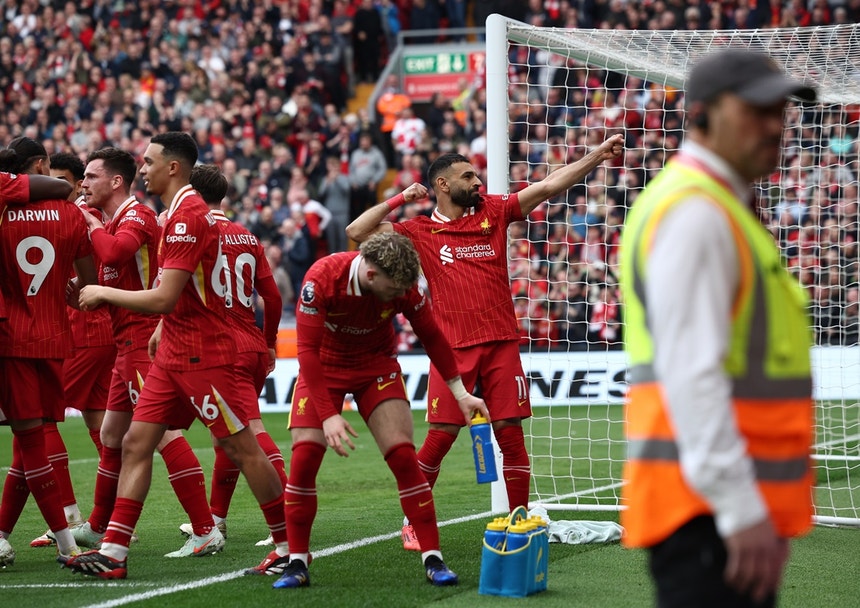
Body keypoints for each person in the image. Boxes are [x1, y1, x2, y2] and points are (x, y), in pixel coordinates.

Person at [346, 134, 623, 550]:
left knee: (510, 435)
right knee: (440, 437)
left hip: (501, 345)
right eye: (468, 176)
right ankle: (413, 520)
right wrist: (400, 197)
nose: (478, 182)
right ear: (442, 185)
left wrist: (597, 154)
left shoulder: (494, 210)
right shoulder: (418, 230)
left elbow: (549, 186)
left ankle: (518, 519)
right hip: (452, 349)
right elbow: (356, 231)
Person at [618, 49, 817, 607]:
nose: (775, 125)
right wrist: (740, 509)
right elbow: (692, 373)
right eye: (756, 110)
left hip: (710, 505)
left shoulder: (712, 204)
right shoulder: (697, 212)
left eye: (780, 111)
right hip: (704, 512)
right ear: (702, 115)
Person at [62, 132, 286, 579]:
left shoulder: (185, 218)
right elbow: (185, 289)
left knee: (241, 447)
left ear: (173, 167)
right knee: (133, 441)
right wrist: (164, 328)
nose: (142, 169)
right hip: (172, 350)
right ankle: (114, 551)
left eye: (148, 162)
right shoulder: (176, 215)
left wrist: (104, 292)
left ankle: (287, 545)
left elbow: (164, 295)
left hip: (205, 353)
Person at [274, 231, 489, 589]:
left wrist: (461, 393)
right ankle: (296, 563)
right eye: (393, 289)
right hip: (324, 367)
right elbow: (306, 351)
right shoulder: (322, 279)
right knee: (305, 458)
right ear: (371, 275)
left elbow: (433, 337)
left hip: (376, 366)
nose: (398, 295)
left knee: (403, 456)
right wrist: (328, 415)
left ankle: (433, 558)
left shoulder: (405, 286)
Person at [68, 147, 219, 557]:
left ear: (116, 181)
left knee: (160, 434)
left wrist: (88, 222)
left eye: (91, 176)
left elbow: (115, 254)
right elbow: (110, 278)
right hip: (124, 342)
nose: (83, 184)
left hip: (143, 338)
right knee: (111, 434)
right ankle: (98, 525)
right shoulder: (113, 222)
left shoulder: (137, 216)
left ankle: (206, 528)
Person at [182, 163, 289, 558]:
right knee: (224, 434)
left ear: (192, 193)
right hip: (251, 342)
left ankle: (288, 516)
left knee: (248, 430)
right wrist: (270, 342)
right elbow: (272, 297)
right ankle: (217, 517)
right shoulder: (247, 235)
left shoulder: (190, 230)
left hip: (220, 346)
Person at [0, 136, 94, 566]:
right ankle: (24, 536)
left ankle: (65, 543)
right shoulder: (70, 212)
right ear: (40, 164)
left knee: (30, 442)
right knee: (32, 442)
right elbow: (88, 281)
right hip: (54, 336)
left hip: (12, 336)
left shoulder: (4, 210)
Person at [25, 153, 116, 549]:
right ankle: (109, 519)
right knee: (101, 424)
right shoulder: (93, 217)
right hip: (103, 330)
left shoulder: (74, 217)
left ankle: (67, 515)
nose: (55, 189)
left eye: (63, 181)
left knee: (41, 418)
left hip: (82, 330)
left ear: (79, 184)